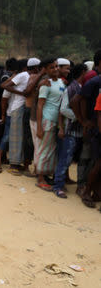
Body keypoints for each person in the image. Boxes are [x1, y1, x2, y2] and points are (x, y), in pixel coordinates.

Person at [53, 64, 87, 197]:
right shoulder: (72, 88)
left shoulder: (78, 87)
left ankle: (60, 183)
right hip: (71, 130)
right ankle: (58, 186)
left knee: (67, 158)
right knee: (65, 158)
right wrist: (79, 117)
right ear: (83, 73)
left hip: (75, 130)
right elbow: (63, 109)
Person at [35, 58, 66, 192]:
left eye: (56, 66)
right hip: (47, 119)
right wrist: (39, 127)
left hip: (56, 120)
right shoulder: (45, 85)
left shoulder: (61, 82)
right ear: (46, 70)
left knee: (51, 150)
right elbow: (40, 106)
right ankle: (40, 178)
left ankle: (46, 175)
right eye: (52, 67)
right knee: (44, 150)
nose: (55, 69)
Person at [71, 70, 101, 207]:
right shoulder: (94, 82)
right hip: (95, 130)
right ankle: (84, 189)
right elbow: (75, 101)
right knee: (90, 160)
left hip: (94, 128)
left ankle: (94, 190)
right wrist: (83, 121)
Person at [1, 59, 34, 175]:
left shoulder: (27, 76)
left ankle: (18, 163)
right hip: (17, 107)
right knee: (16, 137)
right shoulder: (23, 75)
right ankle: (13, 164)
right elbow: (4, 85)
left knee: (21, 137)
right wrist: (21, 93)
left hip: (22, 108)